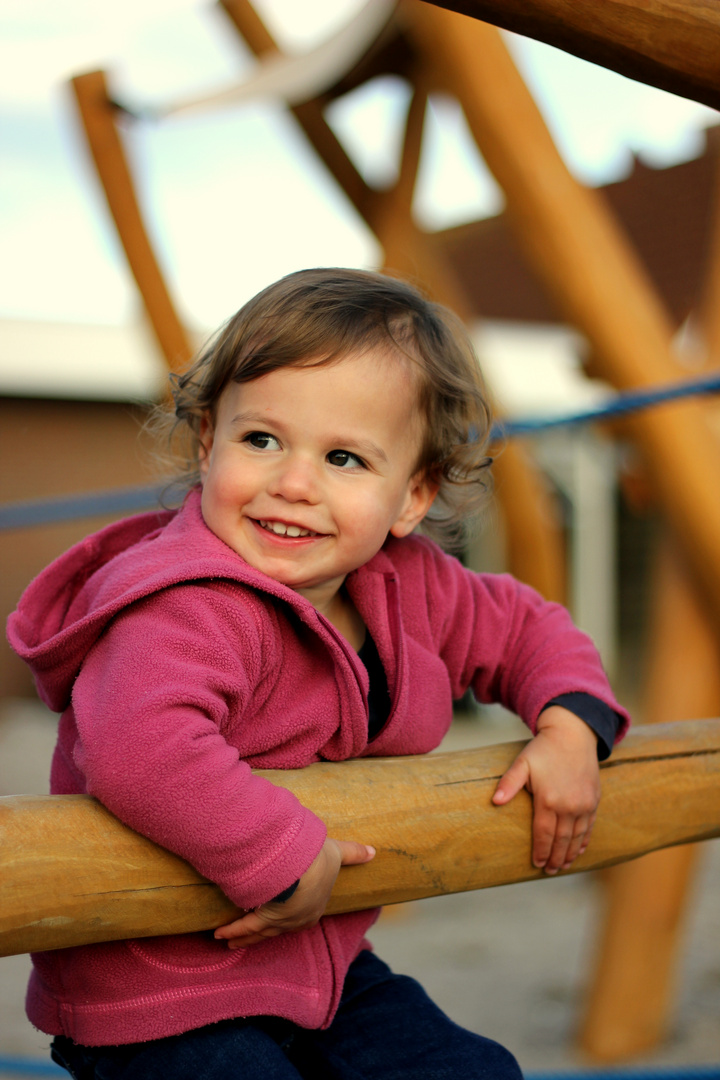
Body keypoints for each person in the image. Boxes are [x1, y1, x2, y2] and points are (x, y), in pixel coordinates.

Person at [9, 268, 629, 1079]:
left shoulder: (413, 585)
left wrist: (569, 725)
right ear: (207, 442)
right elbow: (140, 742)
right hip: (155, 991)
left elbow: (527, 627)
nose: (293, 484)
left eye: (344, 457)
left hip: (317, 968)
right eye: (260, 439)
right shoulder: (191, 606)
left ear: (412, 495)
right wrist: (281, 851)